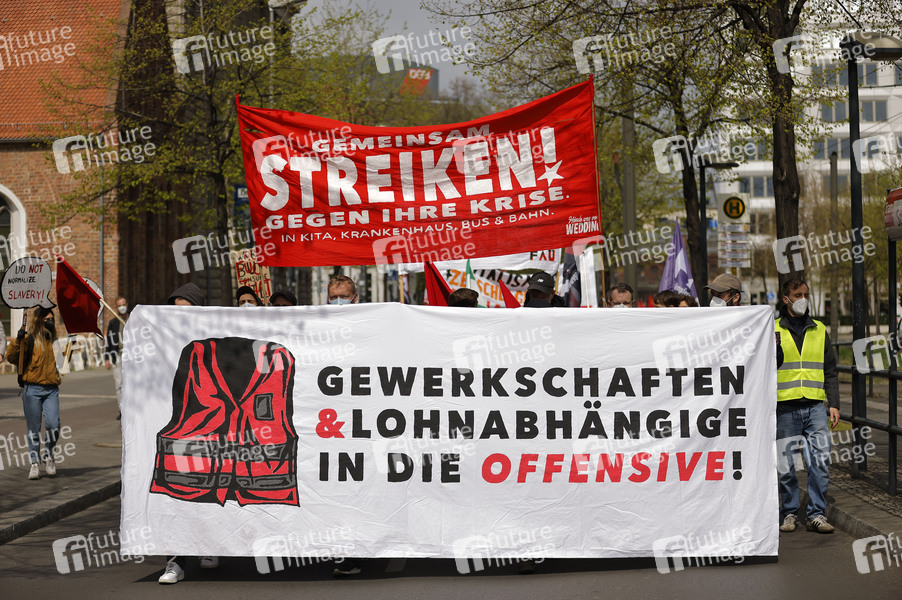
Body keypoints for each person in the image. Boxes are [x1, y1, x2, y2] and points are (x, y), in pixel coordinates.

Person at [159, 284, 216, 584]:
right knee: (175, 497)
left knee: (205, 492)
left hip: (208, 430)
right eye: (175, 309)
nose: (179, 316)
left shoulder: (211, 343)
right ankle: (175, 562)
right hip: (176, 431)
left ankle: (209, 545)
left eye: (186, 309)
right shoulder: (161, 342)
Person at [775, 278, 840, 534]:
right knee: (786, 466)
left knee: (820, 463)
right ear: (786, 299)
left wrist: (834, 404)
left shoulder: (819, 329)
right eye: (797, 295)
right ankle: (789, 512)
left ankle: (816, 514)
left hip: (815, 408)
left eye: (806, 294)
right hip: (785, 408)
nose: (803, 299)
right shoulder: (773, 329)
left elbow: (830, 370)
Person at [7, 306, 61, 480]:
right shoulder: (29, 339)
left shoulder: (54, 340)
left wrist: (68, 351)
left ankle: (49, 456)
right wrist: (18, 340)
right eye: (47, 320)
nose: (50, 322)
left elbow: (61, 363)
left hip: (51, 388)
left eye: (52, 319)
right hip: (32, 389)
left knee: (54, 424)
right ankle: (34, 462)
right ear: (39, 321)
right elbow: (11, 357)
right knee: (34, 428)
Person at [104, 297, 129, 420]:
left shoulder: (133, 320)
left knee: (131, 383)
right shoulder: (113, 323)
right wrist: (107, 357)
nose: (122, 307)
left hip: (132, 355)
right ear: (116, 307)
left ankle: (132, 409)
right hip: (117, 355)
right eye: (119, 305)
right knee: (119, 384)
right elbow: (109, 341)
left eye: (123, 304)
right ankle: (122, 409)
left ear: (127, 305)